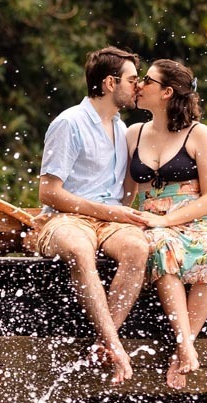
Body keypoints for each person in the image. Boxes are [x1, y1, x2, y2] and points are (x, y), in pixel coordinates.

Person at [36, 46, 150, 384]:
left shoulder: (122, 127)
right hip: (66, 218)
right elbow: (49, 193)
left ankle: (105, 343)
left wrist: (123, 212)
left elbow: (124, 189)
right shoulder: (69, 122)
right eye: (132, 80)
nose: (138, 86)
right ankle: (116, 345)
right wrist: (109, 211)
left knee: (138, 249)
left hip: (109, 221)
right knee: (79, 249)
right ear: (110, 83)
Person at [126, 59, 207, 389]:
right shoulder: (134, 133)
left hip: (199, 219)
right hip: (152, 221)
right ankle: (185, 343)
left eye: (147, 80)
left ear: (166, 92)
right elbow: (127, 193)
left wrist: (166, 219)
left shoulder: (198, 134)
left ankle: (183, 346)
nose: (139, 85)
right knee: (160, 247)